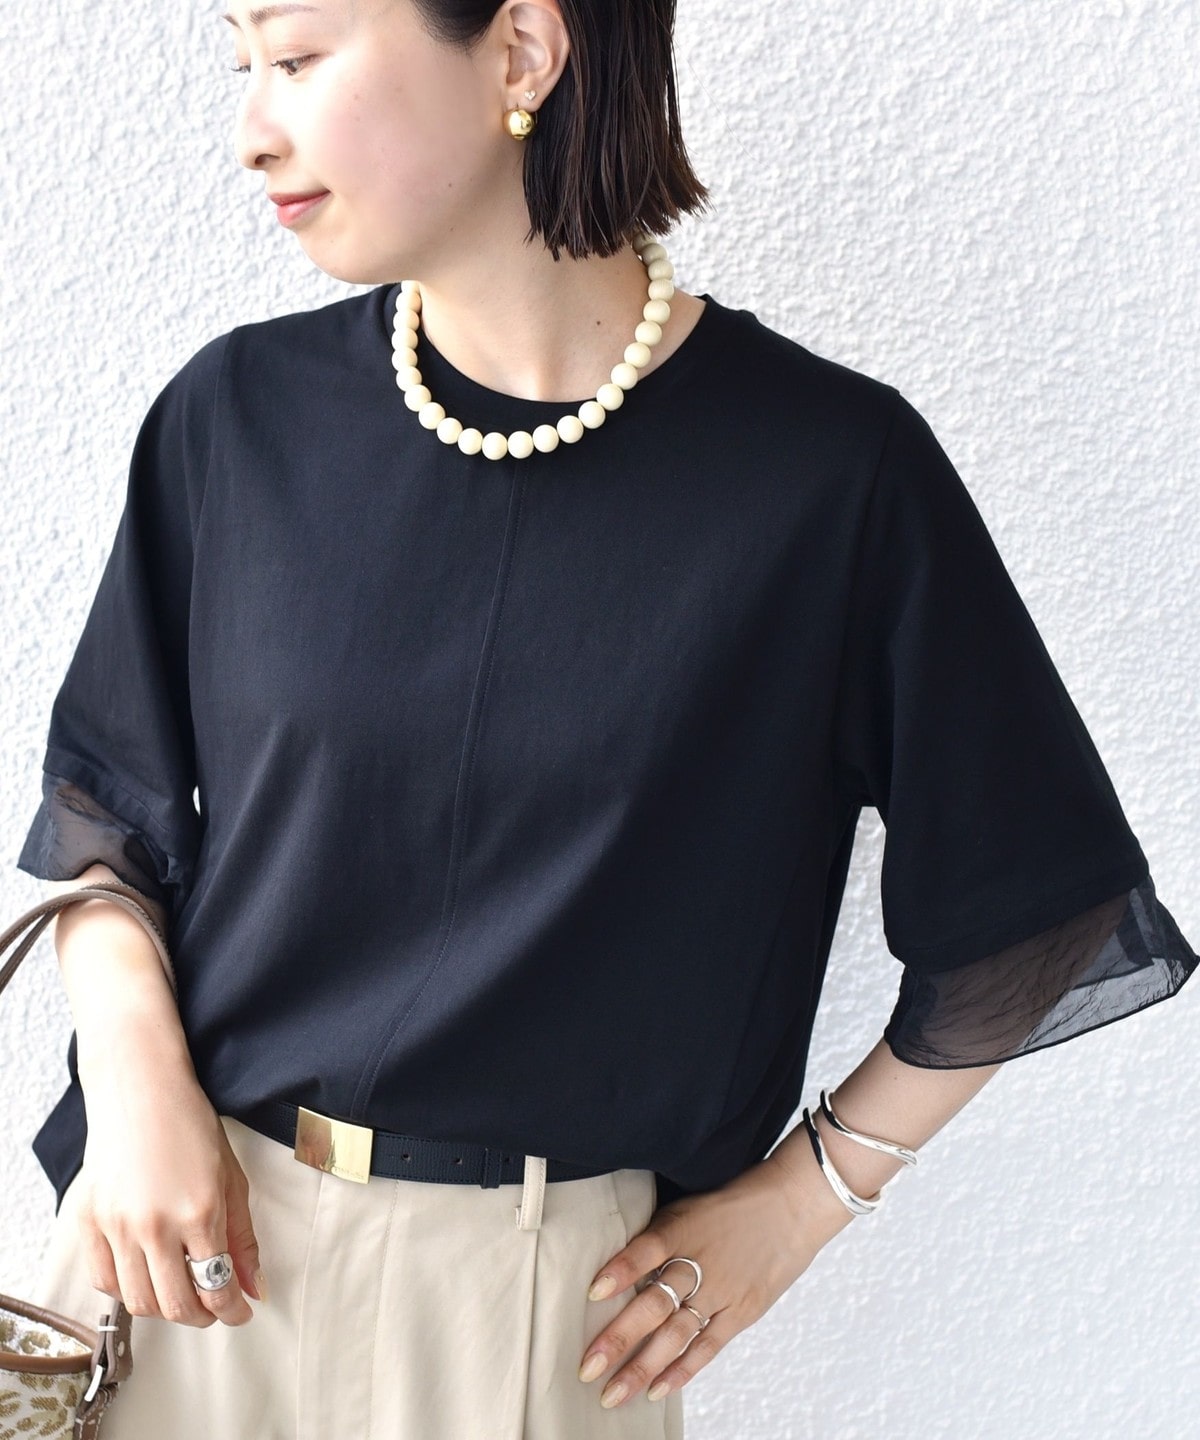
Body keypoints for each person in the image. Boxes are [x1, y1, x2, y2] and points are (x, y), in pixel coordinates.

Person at [15, 1, 1196, 1436]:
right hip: (181, 1263)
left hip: (540, 1323)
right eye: (242, 64)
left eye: (299, 56)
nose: (251, 129)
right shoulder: (234, 418)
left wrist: (809, 1196)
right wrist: (135, 1081)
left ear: (521, 50)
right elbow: (106, 812)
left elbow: (1043, 908)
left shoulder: (828, 479)